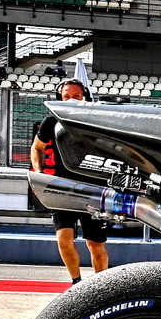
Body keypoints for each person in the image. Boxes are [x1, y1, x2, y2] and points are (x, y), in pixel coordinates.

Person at [30, 78, 109, 285]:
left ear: (85, 98)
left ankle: (100, 286)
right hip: (62, 187)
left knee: (95, 244)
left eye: (76, 96)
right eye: (66, 96)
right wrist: (39, 172)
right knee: (64, 239)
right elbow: (37, 148)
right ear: (59, 98)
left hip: (93, 189)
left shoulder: (96, 121)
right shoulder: (51, 121)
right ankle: (76, 283)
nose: (71, 100)